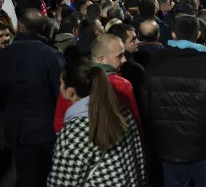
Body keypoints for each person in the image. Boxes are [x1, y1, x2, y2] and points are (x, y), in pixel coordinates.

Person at [141, 15, 206, 187]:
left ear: (173, 35)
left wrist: (153, 143)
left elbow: (147, 111)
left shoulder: (153, 67)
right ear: (198, 35)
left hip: (169, 147)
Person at [0, 9, 65, 187]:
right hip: (47, 131)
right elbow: (63, 94)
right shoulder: (52, 56)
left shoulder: (0, 58)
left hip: (15, 132)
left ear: (20, 26)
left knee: (25, 176)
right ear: (44, 28)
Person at [47, 59, 146, 187]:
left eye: (61, 83)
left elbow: (60, 182)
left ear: (70, 91)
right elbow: (138, 158)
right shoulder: (122, 111)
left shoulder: (74, 132)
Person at [53, 34, 142, 133]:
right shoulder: (121, 85)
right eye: (119, 56)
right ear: (101, 59)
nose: (124, 59)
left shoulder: (71, 83)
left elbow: (59, 124)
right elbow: (135, 124)